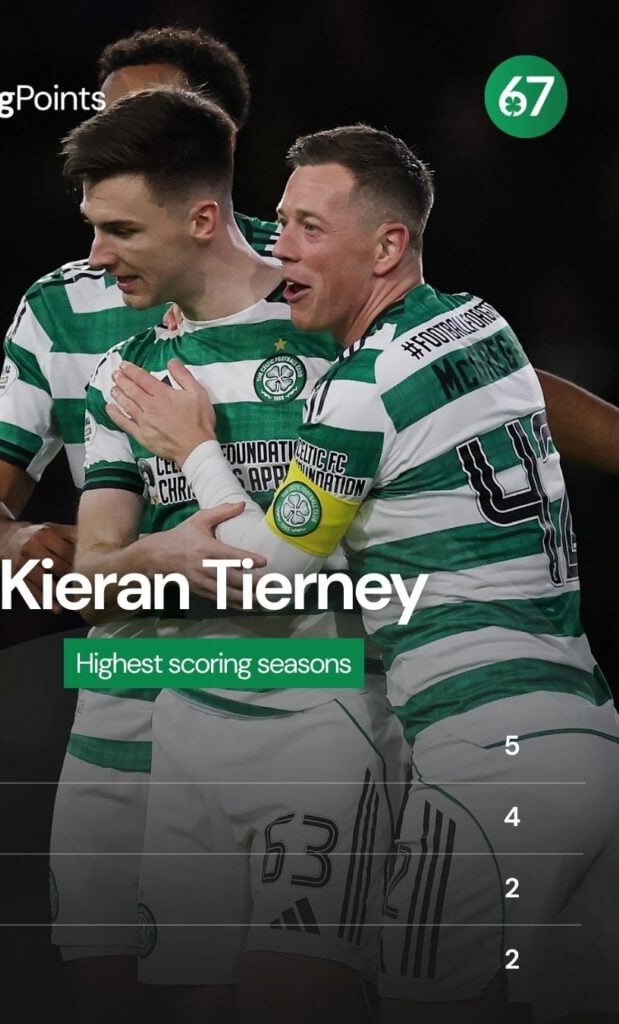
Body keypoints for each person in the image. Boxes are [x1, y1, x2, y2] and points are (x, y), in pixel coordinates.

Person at [109, 123, 619, 1023]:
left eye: (309, 227)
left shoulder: (362, 387)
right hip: (589, 735)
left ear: (387, 246)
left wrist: (192, 448)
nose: (280, 246)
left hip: (486, 756)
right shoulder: (481, 324)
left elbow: (260, 571)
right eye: (280, 222)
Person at [0, 28, 278, 1022]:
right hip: (121, 683)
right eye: (103, 120)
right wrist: (12, 545)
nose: (115, 138)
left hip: (271, 678)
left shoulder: (309, 283)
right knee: (109, 985)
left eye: (144, 120)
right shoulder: (61, 307)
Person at [65, 87, 403, 1024]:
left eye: (120, 230)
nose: (96, 258)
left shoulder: (337, 335)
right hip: (185, 724)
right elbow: (92, 569)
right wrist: (161, 554)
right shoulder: (122, 379)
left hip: (320, 712)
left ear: (203, 217)